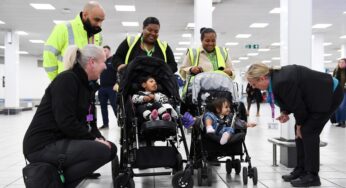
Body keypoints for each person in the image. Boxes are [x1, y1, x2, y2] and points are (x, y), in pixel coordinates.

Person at [23, 45, 117, 187]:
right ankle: (55, 183)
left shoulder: (87, 87)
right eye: (103, 62)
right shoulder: (67, 80)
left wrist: (99, 138)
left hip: (61, 140)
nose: (105, 67)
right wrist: (93, 140)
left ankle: (58, 182)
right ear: (92, 62)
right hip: (42, 145)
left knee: (110, 148)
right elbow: (65, 121)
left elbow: (90, 121)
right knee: (102, 150)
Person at [246, 63, 343, 187]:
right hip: (316, 96)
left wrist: (299, 126)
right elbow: (292, 99)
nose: (255, 88)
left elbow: (298, 107)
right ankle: (301, 169)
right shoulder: (276, 79)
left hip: (330, 93)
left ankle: (312, 176)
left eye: (254, 84)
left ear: (263, 78)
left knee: (308, 131)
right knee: (302, 130)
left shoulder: (281, 81)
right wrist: (285, 112)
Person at [43, 1, 105, 81]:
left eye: (101, 21)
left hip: (86, 86)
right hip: (66, 83)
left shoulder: (98, 36)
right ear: (85, 15)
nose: (99, 24)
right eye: (96, 20)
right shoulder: (63, 28)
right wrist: (56, 80)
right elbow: (49, 55)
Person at [179, 27, 235, 115]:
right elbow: (182, 71)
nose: (210, 43)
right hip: (199, 93)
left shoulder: (223, 52)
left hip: (220, 93)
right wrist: (191, 69)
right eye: (207, 40)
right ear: (201, 40)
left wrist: (230, 72)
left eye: (213, 41)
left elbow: (233, 73)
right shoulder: (193, 52)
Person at [113, 17, 177, 73]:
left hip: (156, 84)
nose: (153, 33)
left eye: (156, 31)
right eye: (149, 30)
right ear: (143, 28)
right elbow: (117, 57)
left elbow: (173, 65)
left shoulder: (164, 46)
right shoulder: (130, 41)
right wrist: (120, 66)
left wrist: (163, 71)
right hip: (132, 83)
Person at [98, 45, 117, 129]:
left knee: (114, 106)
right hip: (102, 88)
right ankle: (105, 124)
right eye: (102, 50)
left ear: (109, 51)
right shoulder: (101, 61)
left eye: (105, 50)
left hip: (112, 88)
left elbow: (119, 73)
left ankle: (121, 123)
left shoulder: (113, 60)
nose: (104, 52)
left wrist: (117, 83)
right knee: (103, 107)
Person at [332, 58, 346, 128]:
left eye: (343, 62)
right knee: (337, 106)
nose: (341, 63)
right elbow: (333, 79)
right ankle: (338, 121)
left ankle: (343, 121)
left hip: (344, 91)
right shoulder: (336, 70)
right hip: (337, 90)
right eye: (340, 62)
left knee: (342, 107)